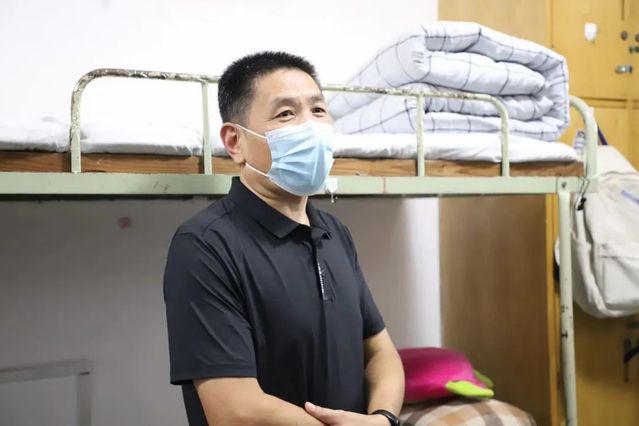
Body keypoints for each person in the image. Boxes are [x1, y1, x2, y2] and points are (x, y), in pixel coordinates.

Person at [163, 51, 404, 426]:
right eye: (286, 114)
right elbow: (234, 410)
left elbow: (380, 354)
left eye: (318, 110)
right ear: (235, 142)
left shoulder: (335, 233)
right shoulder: (204, 245)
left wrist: (382, 420)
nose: (311, 126)